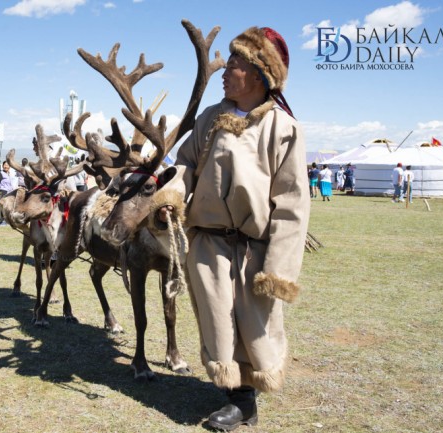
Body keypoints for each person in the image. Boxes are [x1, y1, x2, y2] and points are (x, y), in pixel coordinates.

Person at [159, 26, 309, 430]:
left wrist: (278, 268)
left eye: (237, 63)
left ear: (261, 74)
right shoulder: (211, 119)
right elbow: (185, 164)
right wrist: (171, 196)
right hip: (208, 241)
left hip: (254, 247)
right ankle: (239, 400)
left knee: (255, 324)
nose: (226, 69)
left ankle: (248, 395)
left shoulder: (283, 128)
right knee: (217, 318)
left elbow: (293, 203)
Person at [0, 160, 17, 225]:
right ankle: (0, 221)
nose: (6, 166)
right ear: (2, 166)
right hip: (2, 191)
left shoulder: (9, 174)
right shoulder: (1, 174)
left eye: (7, 165)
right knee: (2, 206)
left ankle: (6, 220)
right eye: (5, 165)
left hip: (8, 192)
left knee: (7, 207)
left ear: (9, 166)